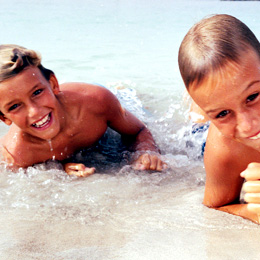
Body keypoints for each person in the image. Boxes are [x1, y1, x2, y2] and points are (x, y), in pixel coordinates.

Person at [0, 44, 166, 177]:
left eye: (37, 92)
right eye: (14, 106)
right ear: (4, 117)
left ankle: (121, 89)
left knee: (136, 103)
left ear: (52, 84)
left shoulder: (97, 103)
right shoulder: (17, 154)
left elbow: (138, 130)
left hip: (90, 97)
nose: (34, 111)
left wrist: (146, 152)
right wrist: (61, 168)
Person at [178, 14, 260, 224]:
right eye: (222, 113)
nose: (248, 125)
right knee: (196, 128)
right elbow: (216, 206)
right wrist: (251, 212)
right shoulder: (224, 151)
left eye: (253, 96)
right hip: (206, 137)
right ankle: (199, 109)